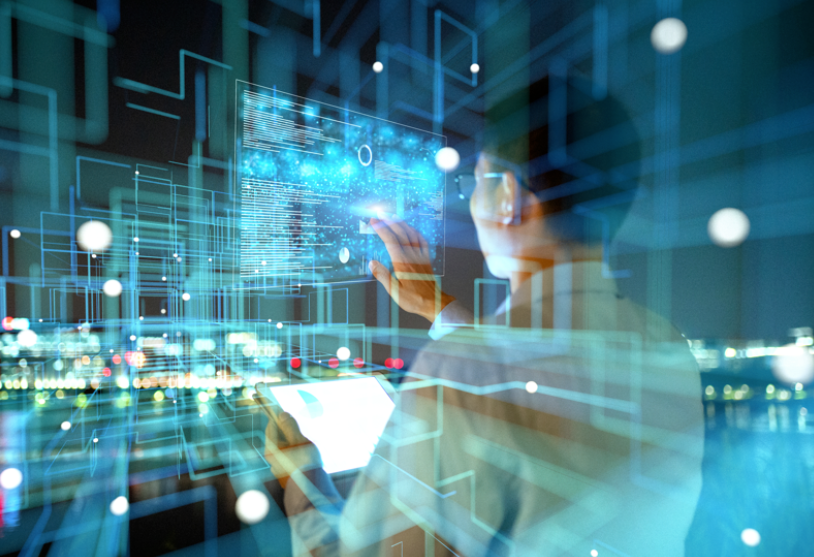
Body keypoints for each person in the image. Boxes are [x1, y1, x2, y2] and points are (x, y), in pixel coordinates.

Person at [263, 76, 704, 557]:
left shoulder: (460, 373)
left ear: (508, 197)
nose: (472, 203)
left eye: (477, 183)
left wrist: (302, 481)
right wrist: (438, 308)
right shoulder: (665, 344)